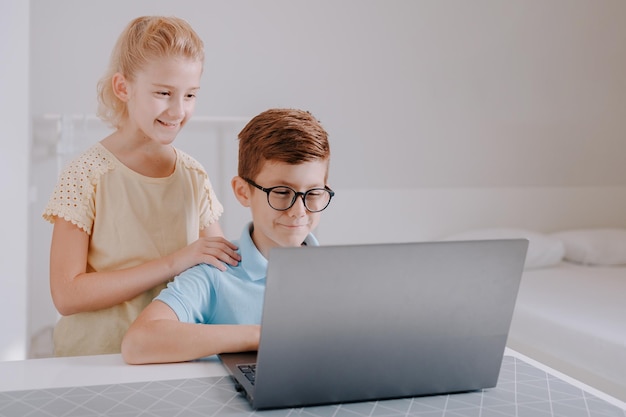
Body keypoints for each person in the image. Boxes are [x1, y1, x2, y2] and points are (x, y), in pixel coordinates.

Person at [42, 16, 240, 357]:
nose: (178, 110)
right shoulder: (86, 174)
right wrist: (173, 262)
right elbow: (66, 294)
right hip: (94, 362)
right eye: (163, 93)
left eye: (190, 95)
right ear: (123, 88)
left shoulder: (194, 176)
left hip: (171, 359)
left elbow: (220, 270)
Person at [121, 108, 334, 364]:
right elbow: (138, 343)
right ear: (243, 192)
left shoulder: (336, 274)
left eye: (313, 194)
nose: (298, 211)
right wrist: (261, 337)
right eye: (281, 192)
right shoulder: (215, 272)